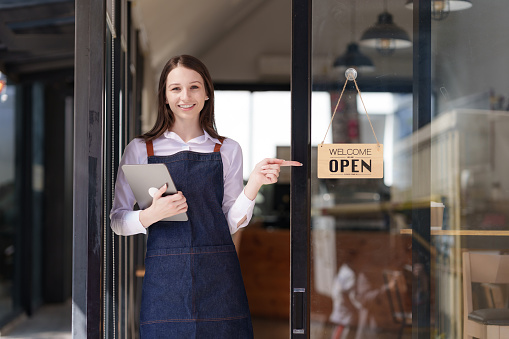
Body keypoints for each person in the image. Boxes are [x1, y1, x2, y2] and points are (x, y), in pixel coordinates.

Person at [110, 54, 301, 338]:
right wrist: (150, 215)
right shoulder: (141, 149)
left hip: (218, 276)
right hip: (165, 281)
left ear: (207, 93)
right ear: (164, 95)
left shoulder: (227, 149)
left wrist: (255, 184)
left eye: (194, 87)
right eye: (175, 88)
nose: (185, 96)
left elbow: (229, 223)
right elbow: (117, 220)